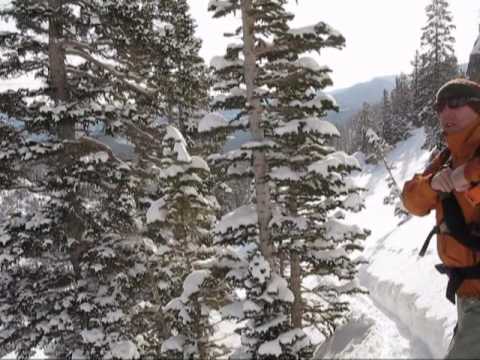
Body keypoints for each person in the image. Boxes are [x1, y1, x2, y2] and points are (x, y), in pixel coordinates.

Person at [402, 78, 480, 359]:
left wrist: (467, 175)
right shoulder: (448, 156)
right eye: (440, 106)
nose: (446, 112)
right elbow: (410, 200)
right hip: (467, 292)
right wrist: (433, 184)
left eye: (456, 103)